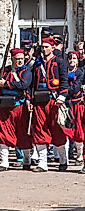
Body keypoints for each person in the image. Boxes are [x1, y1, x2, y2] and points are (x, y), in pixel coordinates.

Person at [29, 37, 69, 172]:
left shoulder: (60, 62)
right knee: (40, 131)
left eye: (47, 47)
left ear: (52, 48)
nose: (44, 49)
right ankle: (42, 163)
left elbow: (64, 81)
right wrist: (30, 98)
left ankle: (63, 159)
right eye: (43, 47)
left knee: (57, 131)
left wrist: (62, 96)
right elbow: (32, 84)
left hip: (54, 101)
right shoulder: (37, 64)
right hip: (39, 102)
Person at [0, 48, 32, 172]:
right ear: (12, 59)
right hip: (4, 106)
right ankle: (4, 162)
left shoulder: (26, 71)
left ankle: (26, 159)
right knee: (3, 133)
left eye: (21, 59)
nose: (20, 61)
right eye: (17, 59)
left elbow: (23, 85)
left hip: (19, 106)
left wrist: (6, 84)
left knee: (23, 134)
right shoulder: (4, 71)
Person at [64, 51, 84, 170]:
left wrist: (64, 89)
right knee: (65, 130)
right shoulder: (64, 72)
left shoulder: (80, 72)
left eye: (74, 59)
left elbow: (75, 87)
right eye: (70, 58)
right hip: (66, 104)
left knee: (79, 131)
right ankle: (65, 157)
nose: (72, 61)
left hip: (77, 104)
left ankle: (79, 155)